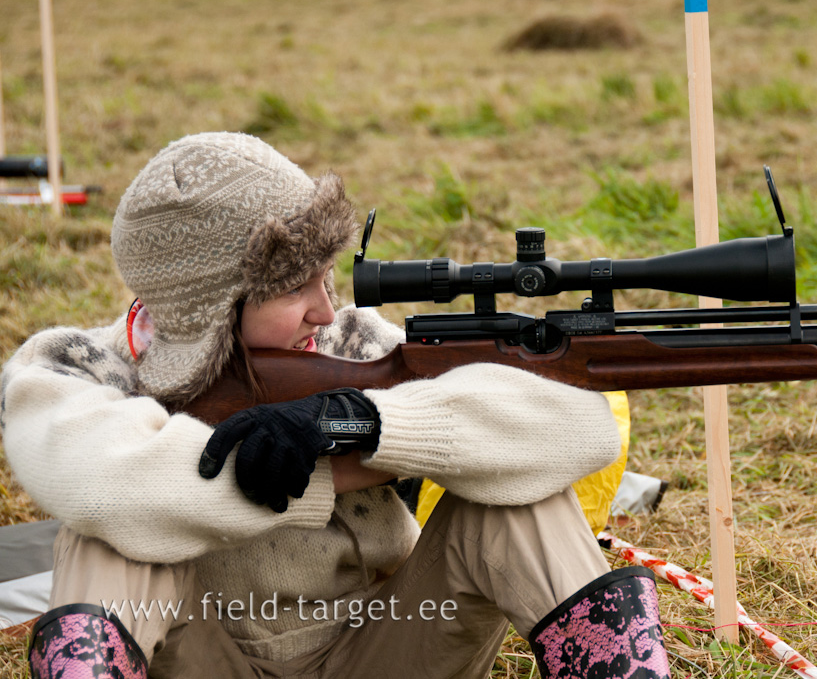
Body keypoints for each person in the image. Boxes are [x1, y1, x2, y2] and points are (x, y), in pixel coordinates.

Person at [0, 132, 673, 679]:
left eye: (327, 276)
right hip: (199, 657)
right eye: (297, 286)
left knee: (520, 495)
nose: (326, 307)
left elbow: (578, 426)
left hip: (387, 647)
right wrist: (328, 471)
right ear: (214, 305)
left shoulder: (352, 344)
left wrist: (364, 424)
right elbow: (103, 482)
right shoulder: (72, 368)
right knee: (105, 531)